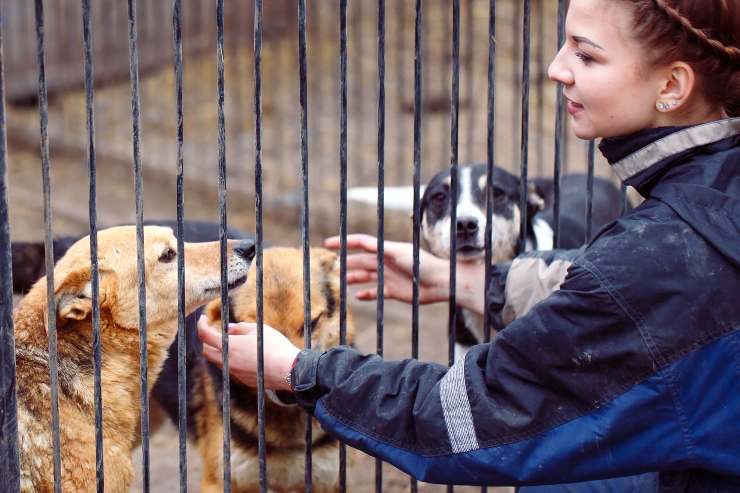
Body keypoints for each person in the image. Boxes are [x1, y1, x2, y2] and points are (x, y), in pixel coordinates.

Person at [197, 0, 740, 490]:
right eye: (563, 42)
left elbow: (472, 415)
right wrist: (481, 282)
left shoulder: (664, 249)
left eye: (587, 56)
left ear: (672, 86)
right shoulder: (706, 199)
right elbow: (649, 296)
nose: (556, 68)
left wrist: (301, 371)